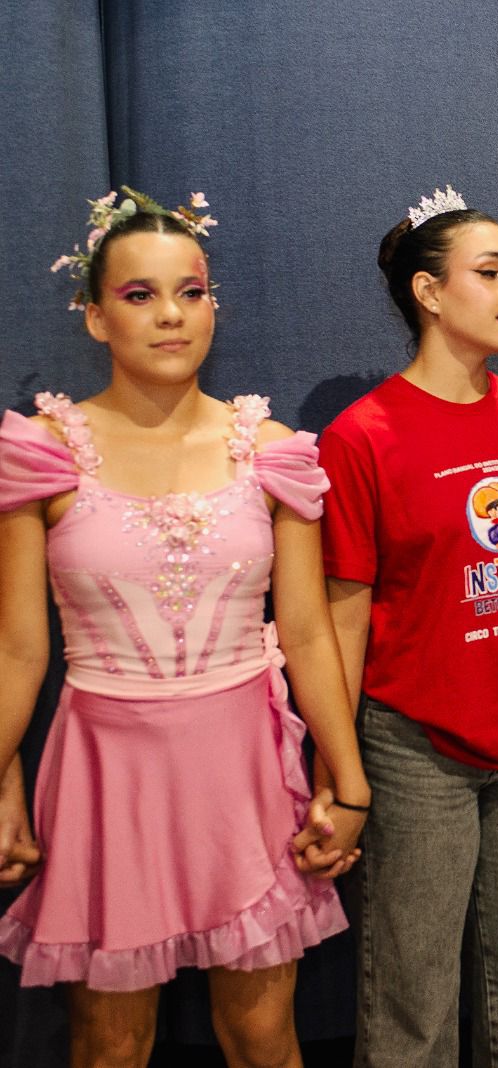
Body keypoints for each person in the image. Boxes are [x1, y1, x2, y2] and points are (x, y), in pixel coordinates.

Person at [0, 188, 363, 1066]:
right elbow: (17, 647)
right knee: (110, 1044)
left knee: (262, 1034)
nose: (171, 314)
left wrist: (348, 785)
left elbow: (308, 633)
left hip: (244, 773)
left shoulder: (272, 452)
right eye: (140, 295)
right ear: (96, 316)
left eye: (191, 292)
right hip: (104, 777)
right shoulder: (43, 454)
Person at [317, 187, 498, 1066]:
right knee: (414, 991)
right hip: (416, 746)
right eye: (491, 272)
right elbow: (342, 619)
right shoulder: (362, 437)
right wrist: (338, 771)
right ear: (429, 293)